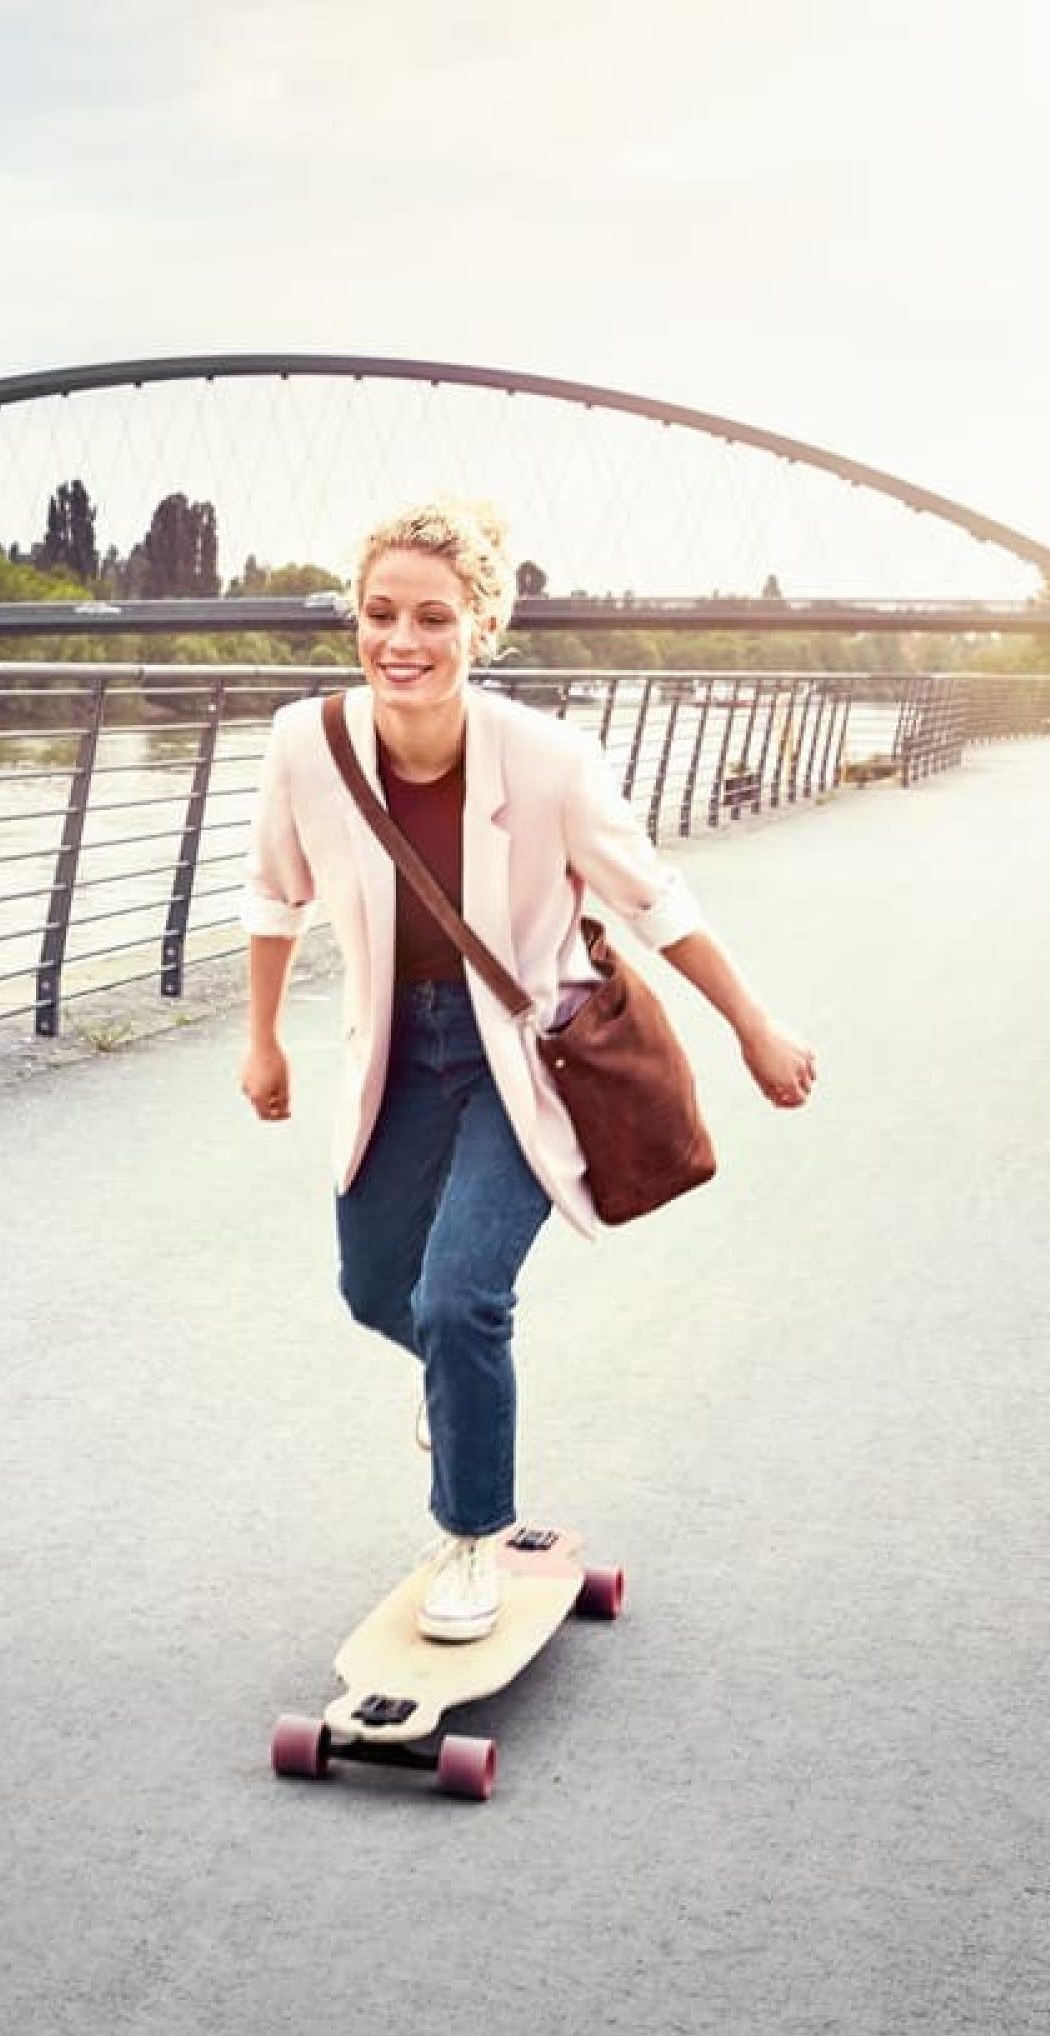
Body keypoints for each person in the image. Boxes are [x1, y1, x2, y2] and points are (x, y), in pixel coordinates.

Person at [234, 498, 817, 1643]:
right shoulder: (307, 743)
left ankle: (470, 1541)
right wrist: (259, 1038)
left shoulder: (550, 760)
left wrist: (753, 1026)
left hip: (522, 1056)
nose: (402, 641)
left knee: (460, 1299)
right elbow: (273, 894)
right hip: (395, 1049)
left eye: (434, 619)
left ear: (482, 629)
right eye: (380, 613)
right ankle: (458, 1390)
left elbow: (654, 901)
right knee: (375, 1292)